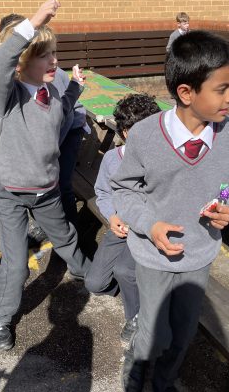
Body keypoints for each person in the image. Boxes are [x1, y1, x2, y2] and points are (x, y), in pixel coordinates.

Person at [111, 30, 229, 392]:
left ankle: (164, 382)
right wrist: (149, 223)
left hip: (199, 256)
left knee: (184, 332)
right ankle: (135, 375)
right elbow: (124, 189)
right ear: (186, 92)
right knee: (153, 334)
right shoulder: (144, 136)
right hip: (153, 256)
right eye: (222, 89)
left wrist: (226, 204)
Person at [0, 0, 90, 351]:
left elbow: (62, 110)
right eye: (46, 55)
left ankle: (84, 271)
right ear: (23, 62)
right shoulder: (8, 97)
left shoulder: (53, 92)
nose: (55, 61)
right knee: (16, 265)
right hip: (10, 192)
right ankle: (1, 316)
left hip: (45, 190)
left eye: (54, 54)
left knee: (65, 236)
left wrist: (75, 85)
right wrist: (34, 21)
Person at [0, 15, 90, 234]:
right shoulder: (25, 75)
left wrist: (46, 153)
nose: (53, 60)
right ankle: (53, 226)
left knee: (62, 185)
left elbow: (59, 119)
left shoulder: (45, 75)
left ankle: (69, 231)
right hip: (51, 130)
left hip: (68, 129)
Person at [84, 93, 161, 344]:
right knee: (95, 283)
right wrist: (112, 217)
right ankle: (136, 290)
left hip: (148, 231)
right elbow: (103, 193)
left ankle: (137, 316)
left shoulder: (162, 160)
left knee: (125, 270)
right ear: (126, 132)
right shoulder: (112, 159)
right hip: (121, 227)